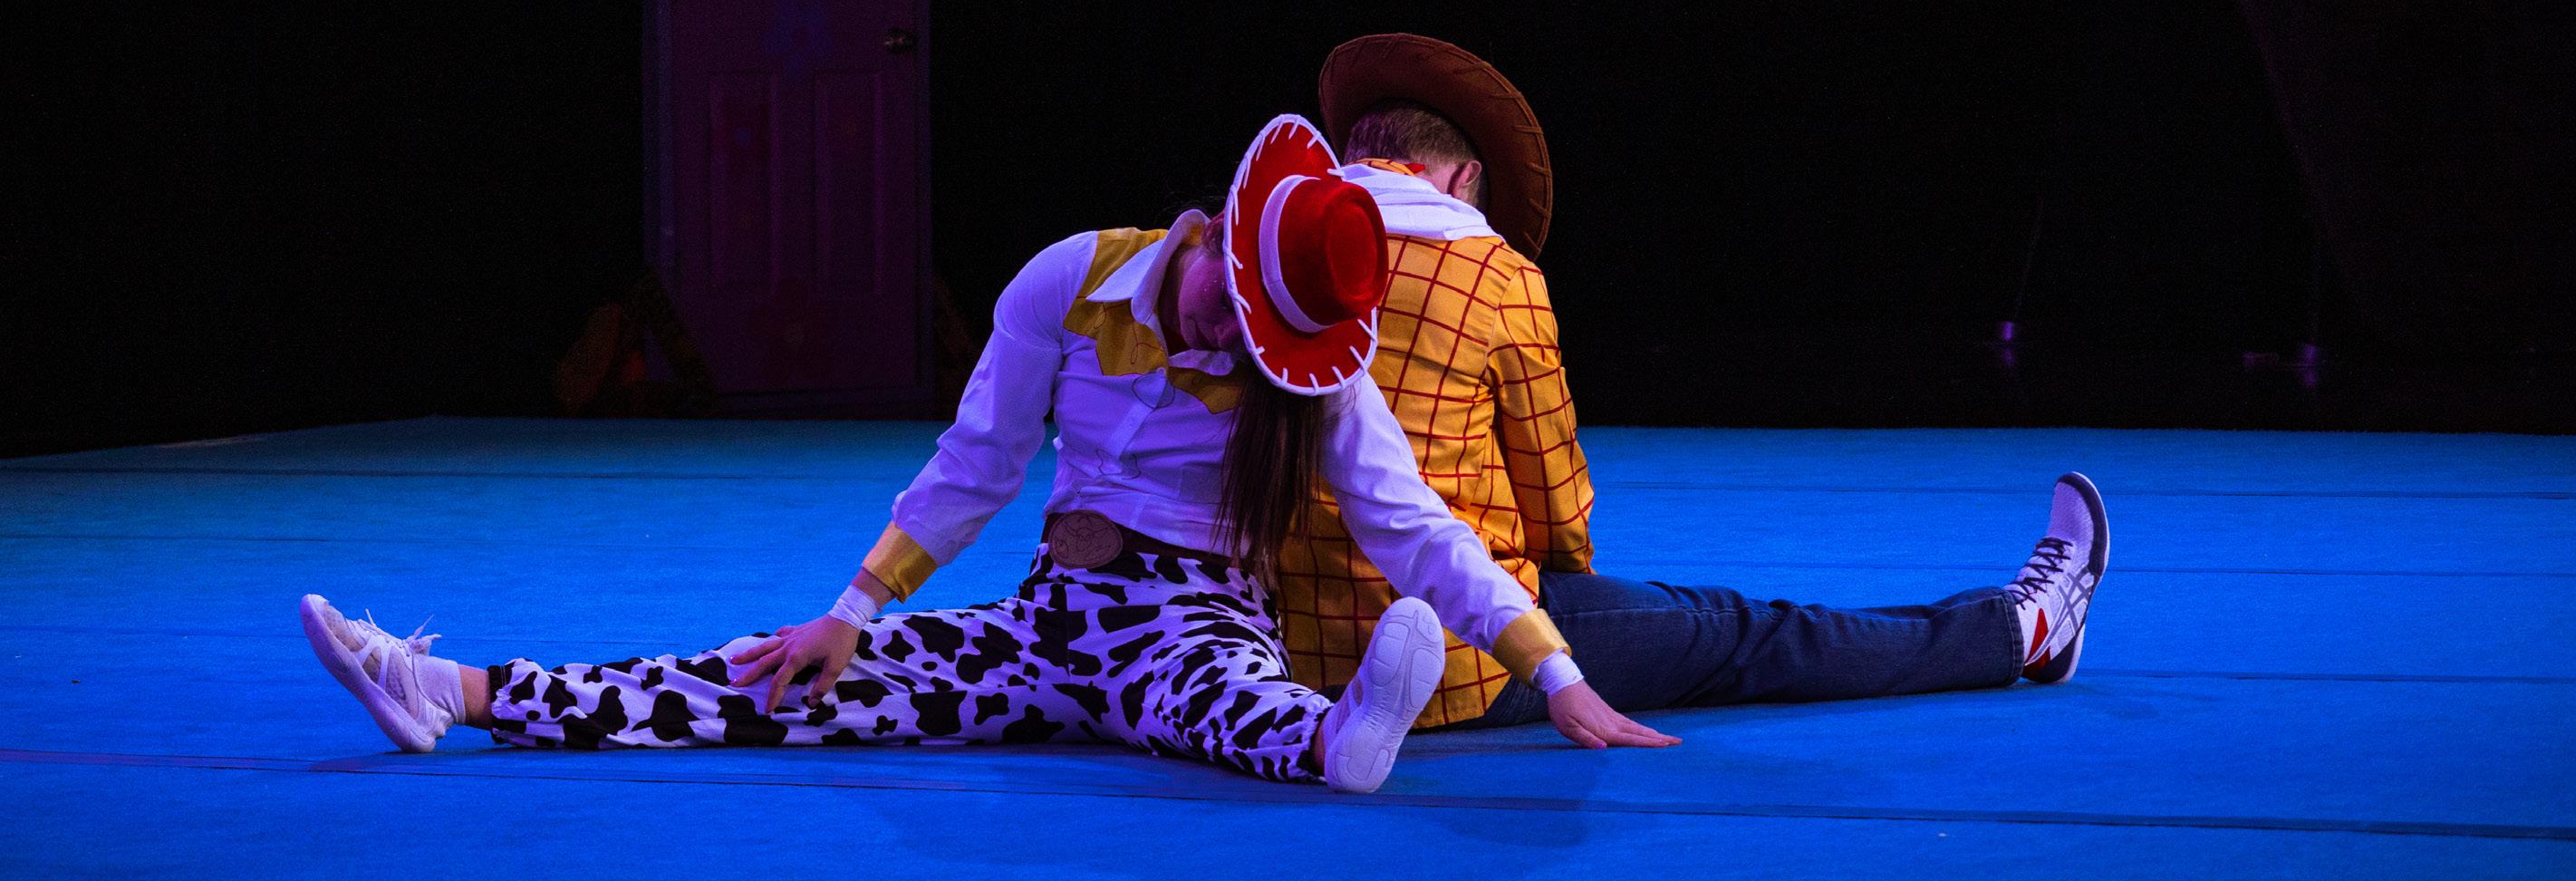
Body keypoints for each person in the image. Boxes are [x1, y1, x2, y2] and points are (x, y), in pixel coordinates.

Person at [297, 115, 1674, 792]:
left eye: (1261, 341)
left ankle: (1328, 739)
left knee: (1208, 691)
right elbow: (975, 466)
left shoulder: (1309, 373)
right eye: (1230, 312)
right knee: (768, 680)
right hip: (1046, 623)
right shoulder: (1068, 280)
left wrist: (1552, 671)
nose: (1227, 344)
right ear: (1211, 236)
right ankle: (453, 686)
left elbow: (1410, 521)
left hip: (1191, 614)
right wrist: (852, 611)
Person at [1276, 34, 2108, 731]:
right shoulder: (1491, 273)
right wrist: (1573, 592)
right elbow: (1550, 490)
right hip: (1468, 661)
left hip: (1289, 660)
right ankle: (2022, 628)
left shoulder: (1264, 268)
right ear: (1463, 180)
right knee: (1750, 632)